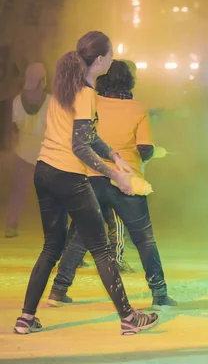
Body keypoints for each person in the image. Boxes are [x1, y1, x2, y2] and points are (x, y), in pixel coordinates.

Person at [14, 32, 158, 335]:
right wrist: (116, 175)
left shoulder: (67, 87)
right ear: (102, 60)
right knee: (102, 250)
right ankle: (129, 319)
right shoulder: (85, 94)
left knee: (51, 246)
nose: (113, 57)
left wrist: (113, 155)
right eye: (111, 53)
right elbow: (79, 148)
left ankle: (26, 318)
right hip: (68, 176)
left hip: (44, 172)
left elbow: (87, 136)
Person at [46, 60, 177, 310]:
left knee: (80, 238)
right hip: (127, 180)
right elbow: (145, 149)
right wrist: (153, 154)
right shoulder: (138, 109)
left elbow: (82, 140)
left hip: (91, 177)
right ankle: (159, 294)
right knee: (144, 238)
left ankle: (58, 290)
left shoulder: (91, 102)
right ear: (130, 81)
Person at [5, 63, 49, 238]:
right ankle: (51, 231)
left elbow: (14, 128)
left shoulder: (17, 100)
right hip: (46, 155)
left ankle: (11, 227)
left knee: (18, 193)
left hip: (23, 153)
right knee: (50, 196)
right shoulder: (51, 101)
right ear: (42, 81)